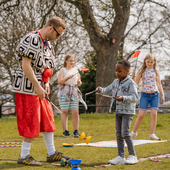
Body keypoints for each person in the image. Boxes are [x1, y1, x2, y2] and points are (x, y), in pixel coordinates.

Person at [12, 16, 70, 166]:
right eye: (58, 34)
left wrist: (46, 83)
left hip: (40, 86)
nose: (58, 37)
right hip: (27, 86)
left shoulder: (48, 44)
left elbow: (47, 67)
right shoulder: (32, 38)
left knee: (47, 118)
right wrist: (37, 85)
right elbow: (26, 66)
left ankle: (51, 153)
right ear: (51, 28)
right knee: (31, 120)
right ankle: (24, 156)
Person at [96, 60, 138, 165]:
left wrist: (123, 98)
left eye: (119, 71)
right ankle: (121, 156)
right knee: (119, 134)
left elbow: (135, 97)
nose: (117, 73)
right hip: (118, 111)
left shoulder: (131, 83)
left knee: (125, 133)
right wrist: (101, 89)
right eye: (116, 71)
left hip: (127, 112)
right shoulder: (115, 82)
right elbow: (108, 90)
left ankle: (132, 155)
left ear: (127, 71)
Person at [130, 53, 165, 140]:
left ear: (154, 62)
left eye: (151, 62)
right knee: (141, 115)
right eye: (148, 62)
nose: (149, 63)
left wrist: (163, 95)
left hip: (155, 95)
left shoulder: (156, 71)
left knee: (154, 114)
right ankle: (134, 132)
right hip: (144, 95)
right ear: (145, 62)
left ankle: (152, 134)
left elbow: (159, 84)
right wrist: (133, 75)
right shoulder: (142, 70)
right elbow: (135, 83)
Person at [57, 54, 87, 137]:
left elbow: (79, 82)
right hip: (64, 92)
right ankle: (65, 131)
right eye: (70, 60)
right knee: (65, 112)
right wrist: (67, 78)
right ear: (66, 61)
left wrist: (79, 82)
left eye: (73, 61)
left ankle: (76, 131)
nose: (72, 62)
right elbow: (59, 82)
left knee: (75, 112)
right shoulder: (63, 70)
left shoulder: (76, 70)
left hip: (74, 92)